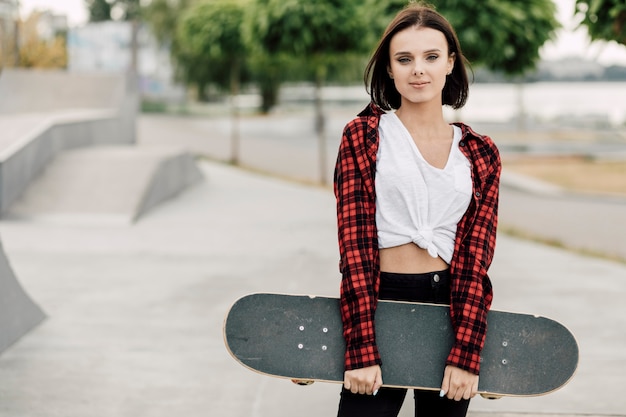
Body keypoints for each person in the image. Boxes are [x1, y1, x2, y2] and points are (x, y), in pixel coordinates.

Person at [333, 3, 501, 417]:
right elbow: (354, 248)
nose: (418, 70)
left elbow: (476, 260)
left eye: (430, 57)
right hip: (378, 296)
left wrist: (466, 351)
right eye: (404, 59)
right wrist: (361, 347)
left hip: (449, 305)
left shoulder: (480, 153)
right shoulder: (364, 135)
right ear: (389, 69)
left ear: (450, 64)